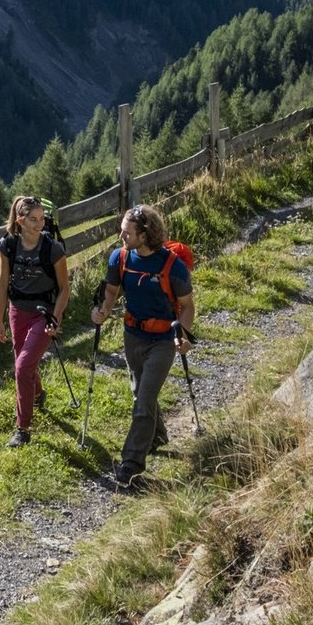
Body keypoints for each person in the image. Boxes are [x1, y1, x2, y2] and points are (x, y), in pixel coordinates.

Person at [89, 204, 194, 488]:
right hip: (132, 335)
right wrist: (102, 311)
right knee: (139, 390)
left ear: (145, 235)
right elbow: (111, 291)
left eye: (126, 232)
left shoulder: (173, 266)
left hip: (162, 341)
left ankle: (131, 464)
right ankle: (157, 435)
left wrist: (182, 336)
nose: (121, 236)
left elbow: (186, 306)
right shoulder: (120, 258)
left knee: (144, 399)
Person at [0, 194, 69, 447]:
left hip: (43, 313)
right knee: (23, 363)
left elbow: (65, 289)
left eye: (42, 219)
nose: (40, 224)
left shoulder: (52, 248)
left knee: (23, 367)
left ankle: (22, 429)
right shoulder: (8, 245)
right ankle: (37, 393)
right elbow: (2, 283)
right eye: (33, 220)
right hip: (17, 311)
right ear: (20, 220)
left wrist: (55, 318)